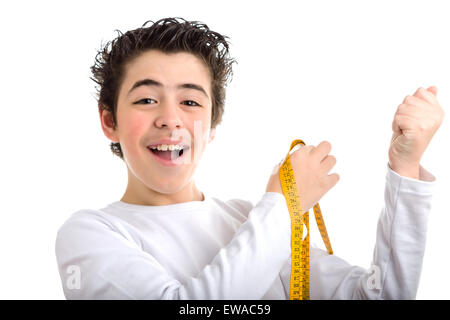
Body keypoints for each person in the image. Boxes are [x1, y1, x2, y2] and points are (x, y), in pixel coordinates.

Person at [55, 17, 444, 299]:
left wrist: (405, 167)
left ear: (211, 126)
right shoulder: (90, 234)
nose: (170, 119)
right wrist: (283, 206)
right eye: (146, 99)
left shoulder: (248, 220)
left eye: (190, 101)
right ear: (110, 121)